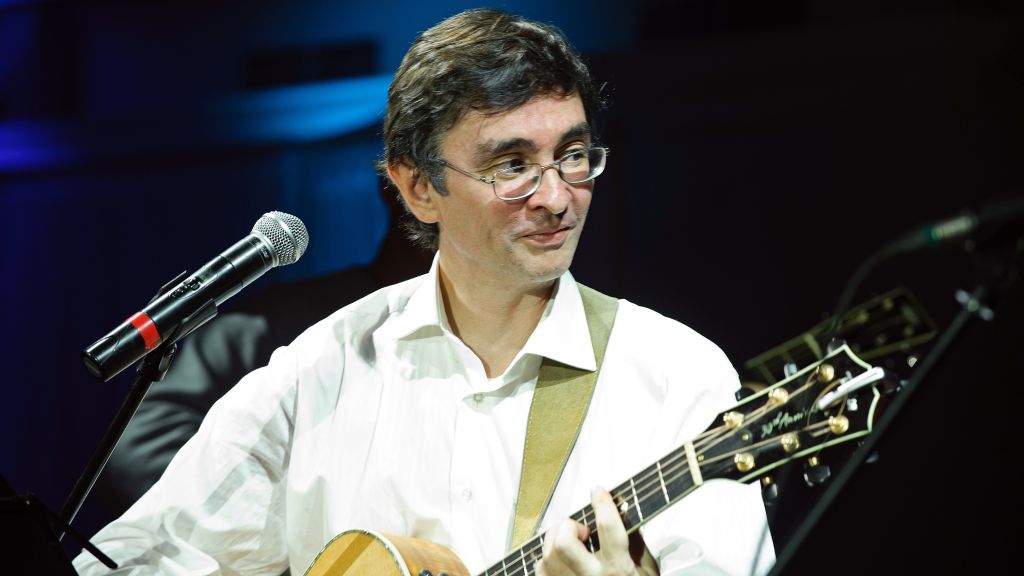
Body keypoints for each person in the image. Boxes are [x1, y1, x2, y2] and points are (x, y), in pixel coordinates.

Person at [74, 9, 775, 575]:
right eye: (512, 165)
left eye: (572, 155)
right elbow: (140, 558)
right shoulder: (323, 369)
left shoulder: (675, 377)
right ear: (417, 188)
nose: (558, 196)